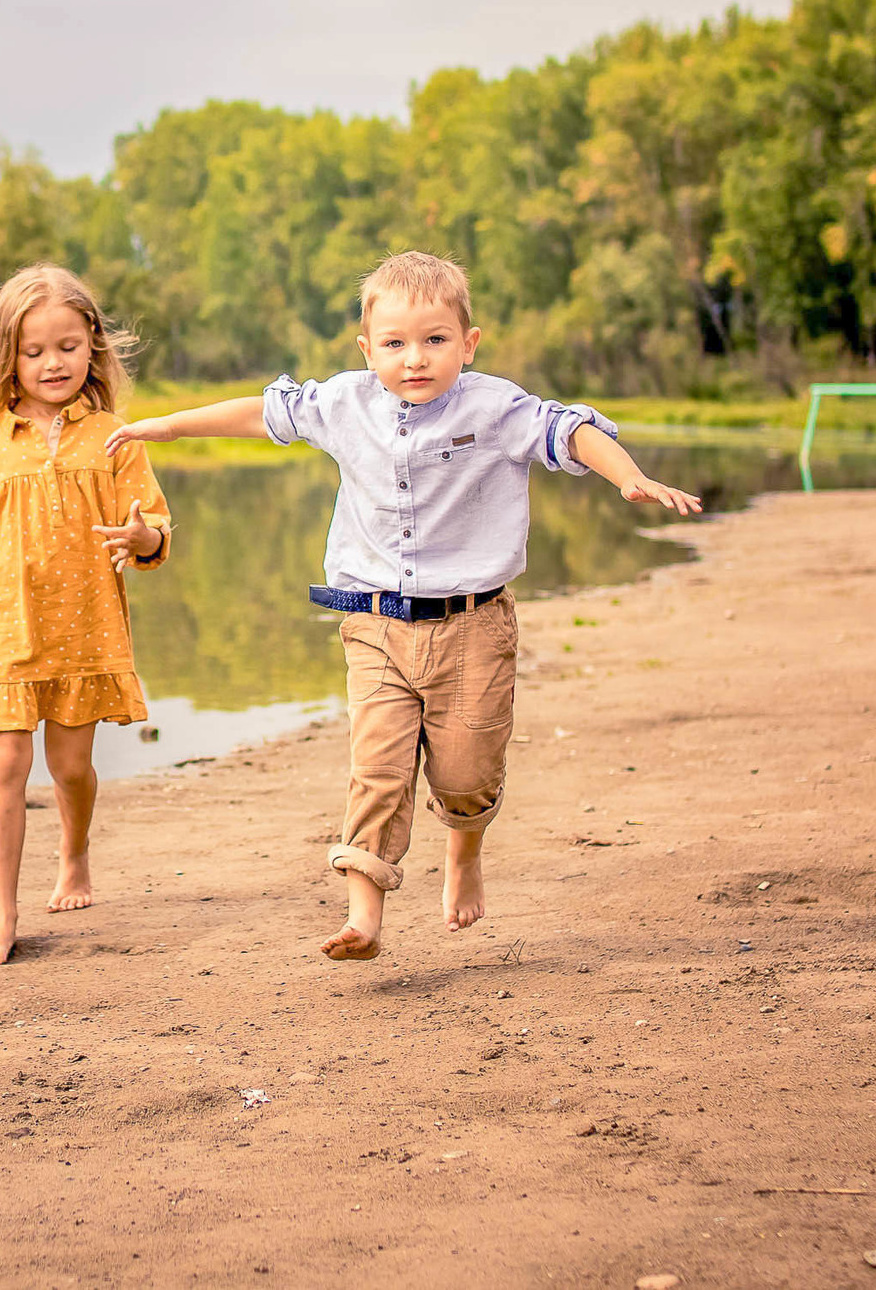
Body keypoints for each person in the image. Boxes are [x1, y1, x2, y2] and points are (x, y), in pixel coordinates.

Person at [106, 250, 698, 960]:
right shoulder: (343, 402)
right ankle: (364, 913)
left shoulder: (496, 407)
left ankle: (464, 850)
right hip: (376, 624)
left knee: (466, 772)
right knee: (377, 766)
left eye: (434, 340)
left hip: (475, 626)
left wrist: (628, 476)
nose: (413, 358)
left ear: (468, 343)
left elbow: (568, 430)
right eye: (394, 343)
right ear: (367, 348)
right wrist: (164, 427)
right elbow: (265, 411)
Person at [0, 264, 173, 968]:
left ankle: (74, 852)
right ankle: (2, 917)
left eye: (69, 346)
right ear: (6, 359)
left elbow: (156, 526)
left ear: (93, 348)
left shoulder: (114, 435)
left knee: (71, 766)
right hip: (5, 635)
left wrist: (144, 538)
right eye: (36, 350)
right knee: (6, 765)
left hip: (84, 631)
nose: (54, 362)